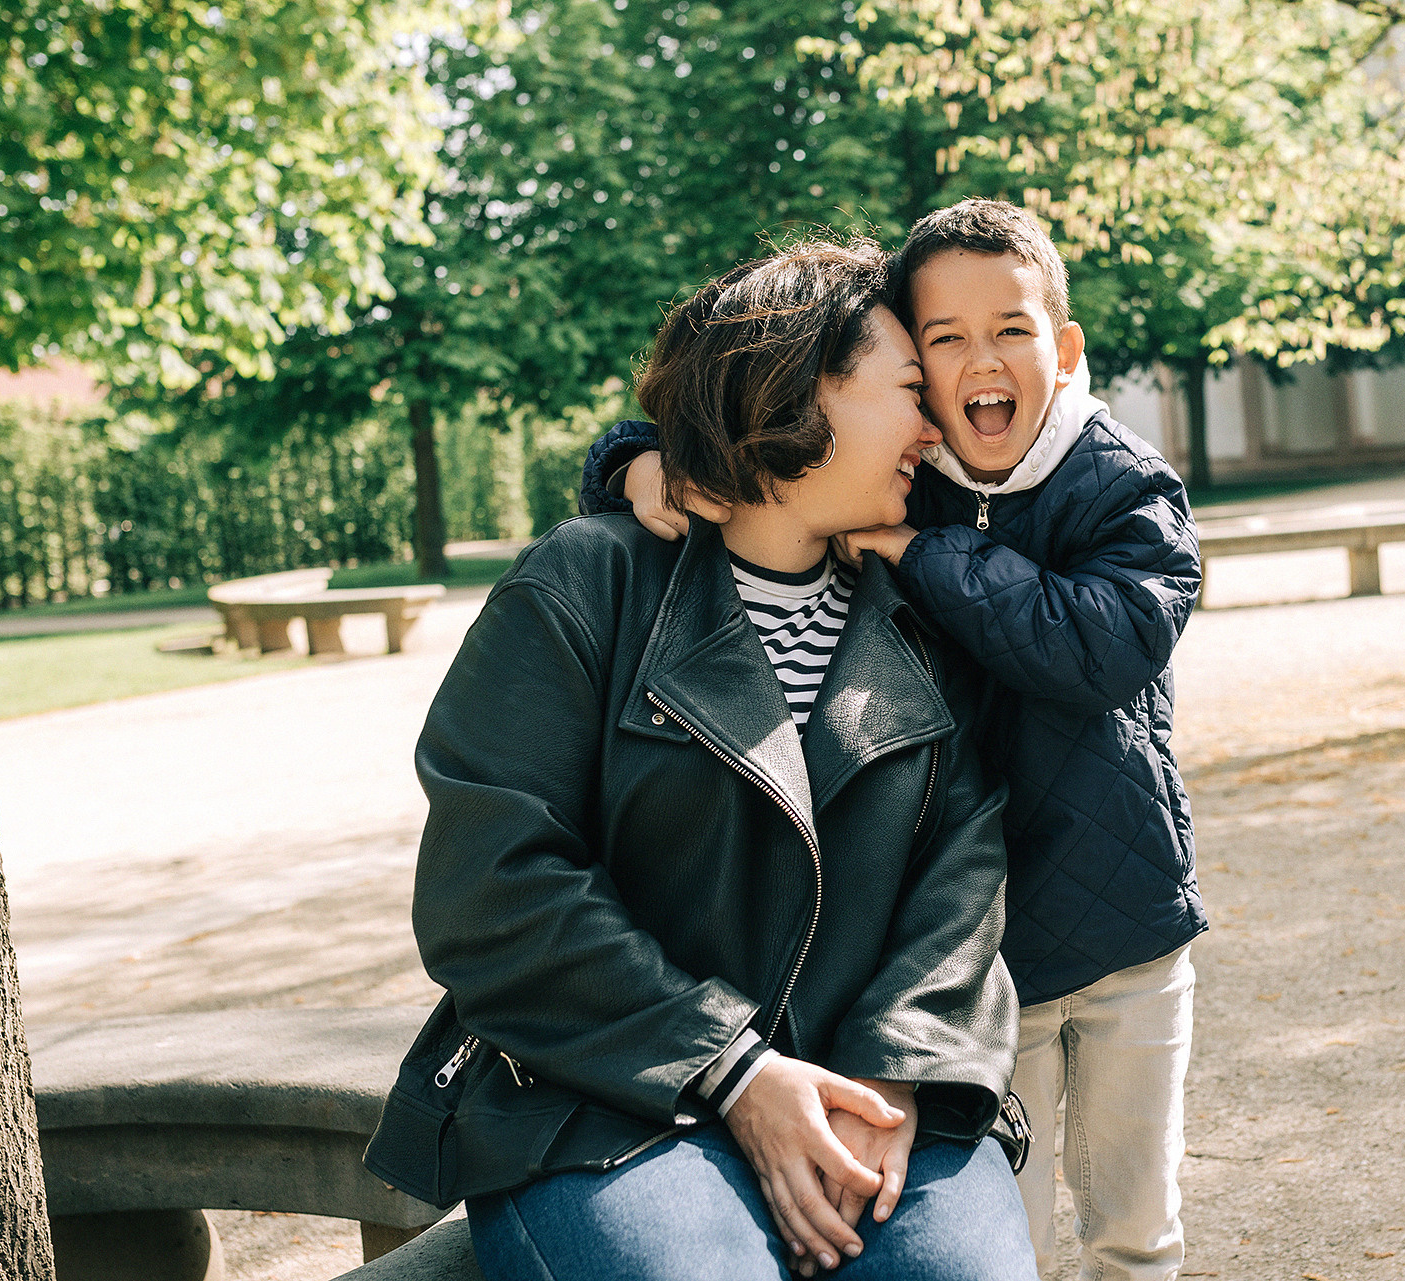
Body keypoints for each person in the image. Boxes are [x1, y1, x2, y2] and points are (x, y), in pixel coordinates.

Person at [365, 238, 1038, 1281]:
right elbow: (494, 887)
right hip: (598, 1102)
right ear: (796, 390)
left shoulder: (922, 615)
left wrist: (894, 1082)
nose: (932, 424)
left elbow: (962, 874)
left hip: (871, 1085)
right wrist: (736, 1072)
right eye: (909, 388)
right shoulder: (581, 586)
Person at [583, 200, 1207, 1281]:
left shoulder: (1120, 484)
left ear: (1061, 350)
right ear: (910, 365)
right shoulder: (896, 466)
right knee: (1004, 1218)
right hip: (976, 948)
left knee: (1132, 1222)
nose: (982, 359)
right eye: (943, 339)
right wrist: (630, 469)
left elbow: (1099, 646)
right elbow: (743, 418)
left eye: (1011, 329)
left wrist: (925, 557)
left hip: (1124, 930)